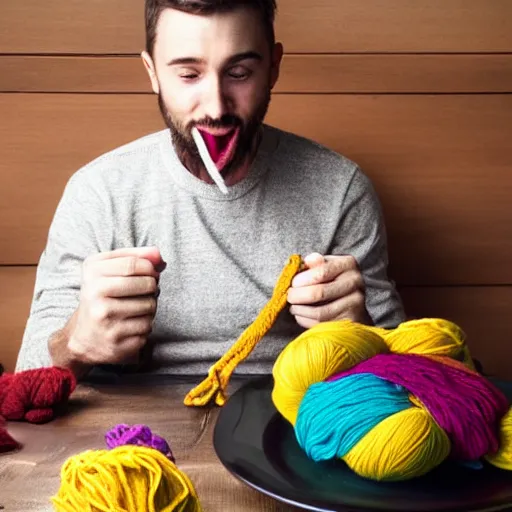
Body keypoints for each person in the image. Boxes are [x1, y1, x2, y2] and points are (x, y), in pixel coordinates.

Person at [15, 0, 405, 379]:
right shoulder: (99, 191)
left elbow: (410, 374)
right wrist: (74, 345)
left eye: (238, 72)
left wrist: (363, 332)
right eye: (188, 75)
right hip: (128, 428)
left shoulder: (341, 188)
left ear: (273, 68)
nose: (216, 108)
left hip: (291, 418)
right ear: (152, 72)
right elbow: (26, 378)